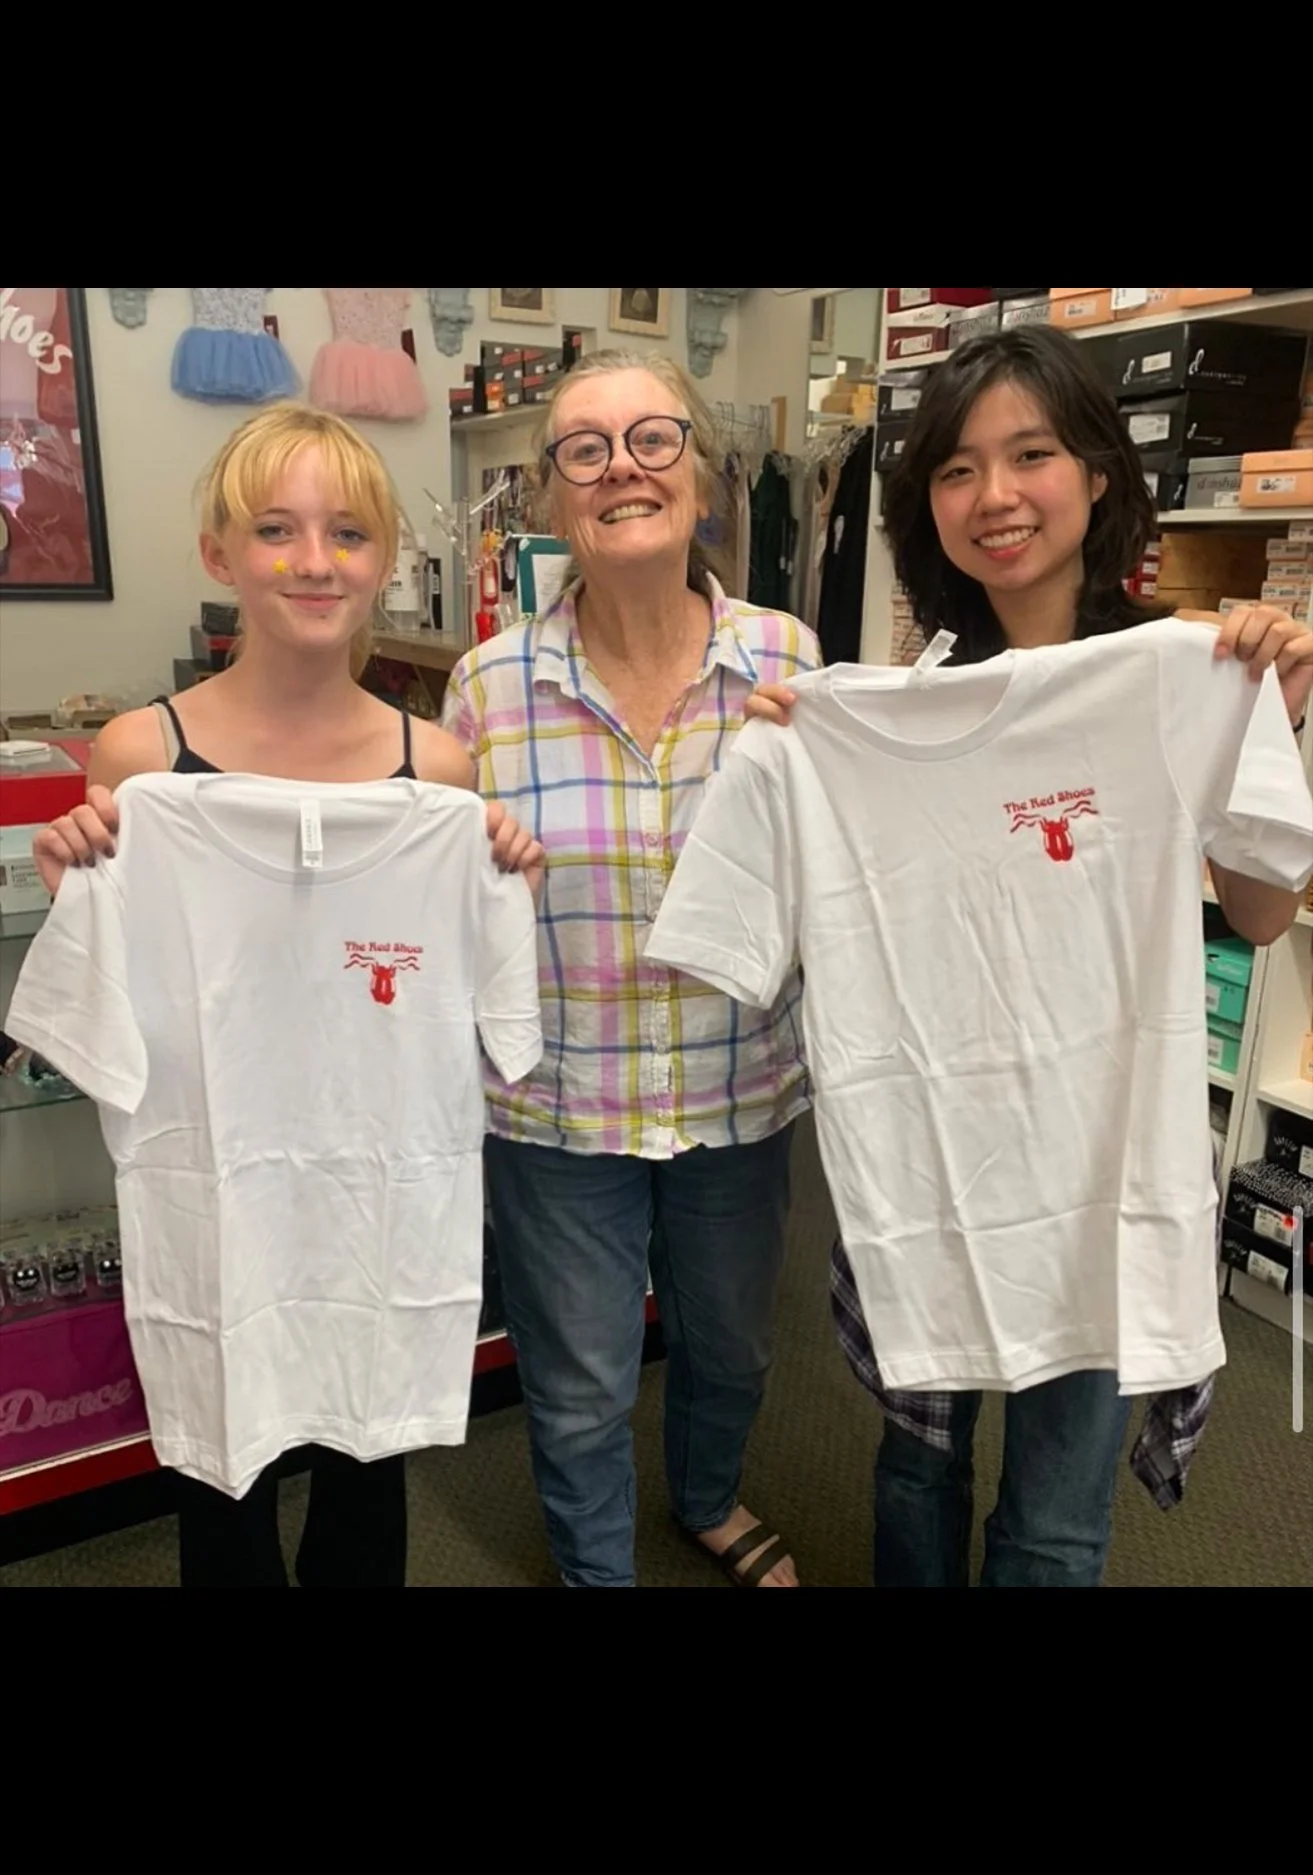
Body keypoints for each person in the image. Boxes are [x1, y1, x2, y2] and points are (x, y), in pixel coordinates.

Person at [747, 324, 1313, 1587]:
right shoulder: (898, 692)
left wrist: (1269, 723)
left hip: (1101, 1170)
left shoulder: (1185, 670)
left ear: (1100, 472)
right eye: (955, 468)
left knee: (1054, 1522)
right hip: (932, 1159)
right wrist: (796, 747)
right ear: (922, 504)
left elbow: (1262, 918)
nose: (993, 496)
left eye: (1031, 454)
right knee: (914, 1470)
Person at [29, 401, 544, 1589]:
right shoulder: (141, 764)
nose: (313, 562)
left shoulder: (441, 775)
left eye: (347, 535)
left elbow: (496, 1022)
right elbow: (106, 1005)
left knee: (368, 1487)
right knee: (224, 1495)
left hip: (379, 1214)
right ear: (219, 554)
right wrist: (79, 886)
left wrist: (497, 868)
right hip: (218, 1210)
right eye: (275, 530)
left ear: (383, 563)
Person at [441, 350, 820, 1587]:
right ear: (554, 504)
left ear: (701, 478)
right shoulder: (488, 688)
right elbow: (438, 892)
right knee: (579, 1382)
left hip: (736, 1092)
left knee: (732, 1350)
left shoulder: (788, 663)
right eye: (584, 449)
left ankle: (706, 1499)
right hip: (560, 1109)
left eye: (652, 440)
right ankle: (598, 1572)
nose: (621, 469)